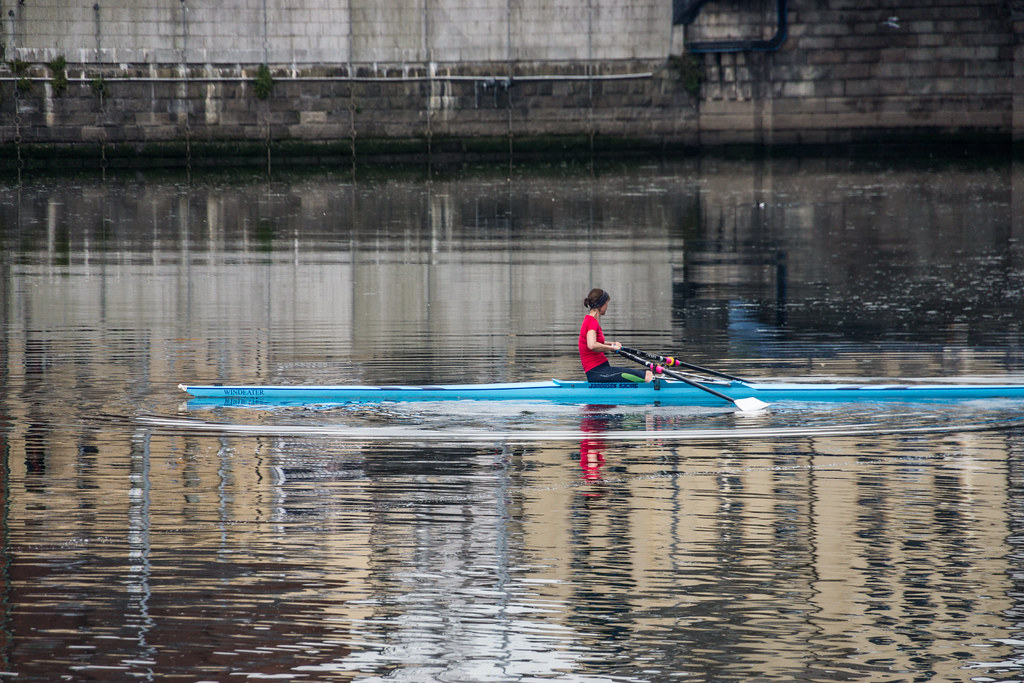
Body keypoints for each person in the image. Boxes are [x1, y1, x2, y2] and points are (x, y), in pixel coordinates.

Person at [578, 288, 654, 383]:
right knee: (647, 377)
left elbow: (595, 342)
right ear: (601, 305)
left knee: (648, 374)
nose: (607, 306)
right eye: (606, 303)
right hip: (597, 372)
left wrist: (611, 344)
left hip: (603, 369)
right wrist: (612, 348)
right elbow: (592, 345)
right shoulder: (592, 322)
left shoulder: (589, 320)